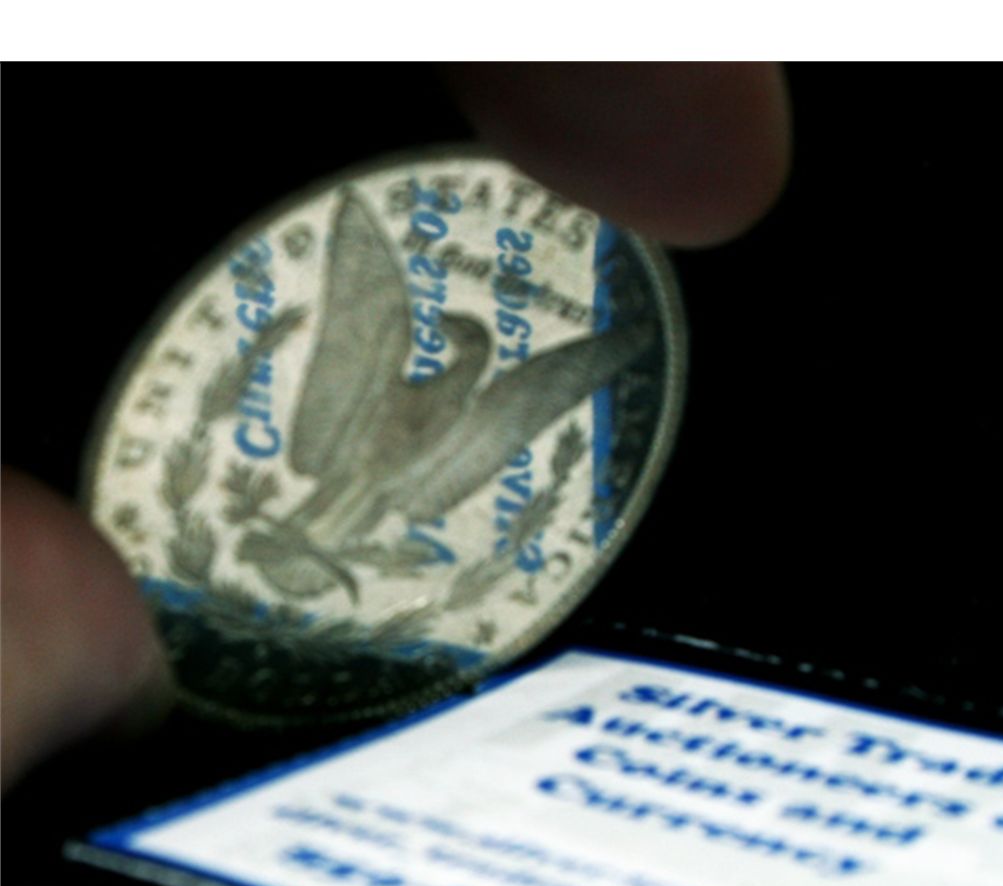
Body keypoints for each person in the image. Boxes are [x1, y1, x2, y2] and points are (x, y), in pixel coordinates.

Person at [0, 63, 791, 792]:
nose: (455, 351)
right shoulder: (401, 373)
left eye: (463, 348)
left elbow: (540, 386)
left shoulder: (472, 410)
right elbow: (376, 302)